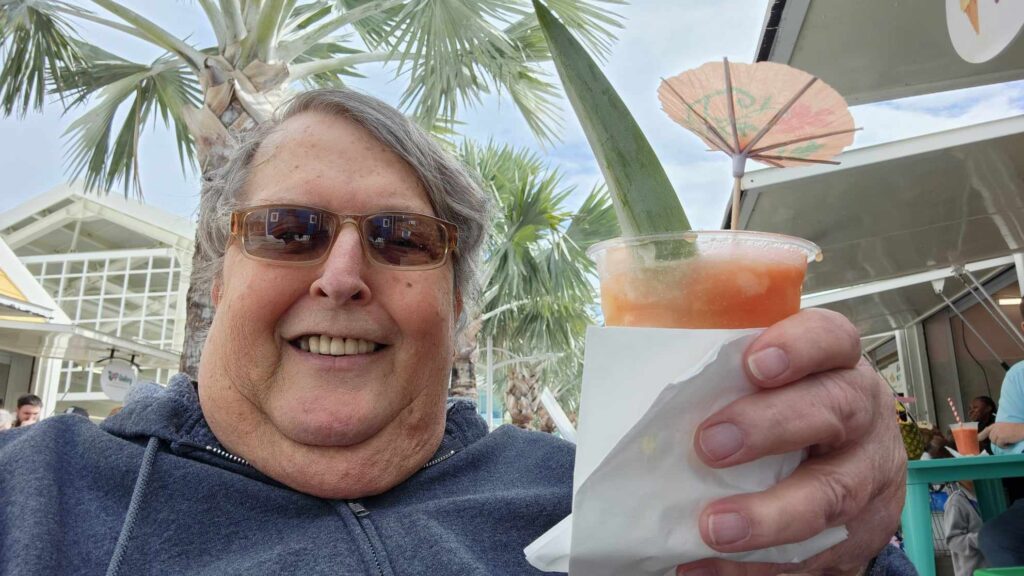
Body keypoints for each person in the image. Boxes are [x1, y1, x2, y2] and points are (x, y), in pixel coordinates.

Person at [0, 89, 911, 575]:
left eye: (402, 238)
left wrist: (845, 540)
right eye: (288, 230)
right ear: (216, 276)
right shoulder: (33, 495)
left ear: (459, 306)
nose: (342, 275)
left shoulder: (597, 505)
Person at [977, 300, 1024, 566]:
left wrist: (1022, 431)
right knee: (997, 537)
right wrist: (1013, 434)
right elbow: (1003, 442)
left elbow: (1014, 434)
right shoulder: (1019, 377)